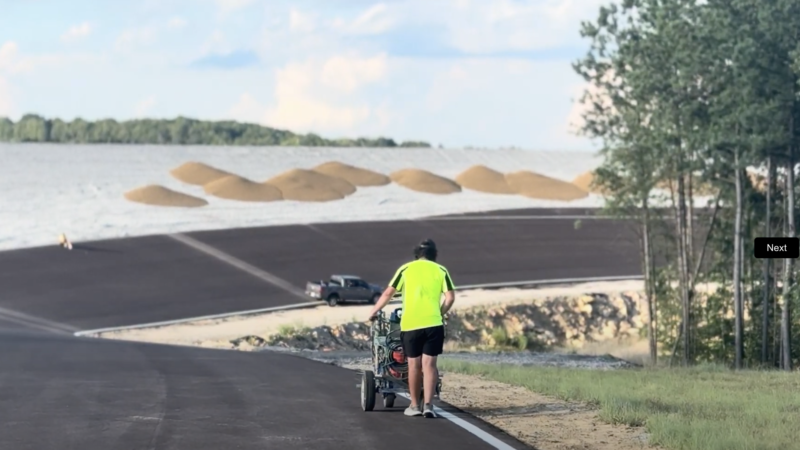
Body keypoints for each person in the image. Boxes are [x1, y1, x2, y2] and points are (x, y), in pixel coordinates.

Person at [367, 239, 456, 418]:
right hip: (433, 324)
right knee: (429, 366)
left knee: (414, 365)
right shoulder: (441, 270)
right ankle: (429, 406)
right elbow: (450, 297)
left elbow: (388, 293)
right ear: (434, 255)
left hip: (411, 325)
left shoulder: (406, 269)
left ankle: (414, 406)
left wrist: (374, 311)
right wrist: (440, 312)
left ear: (416, 254)